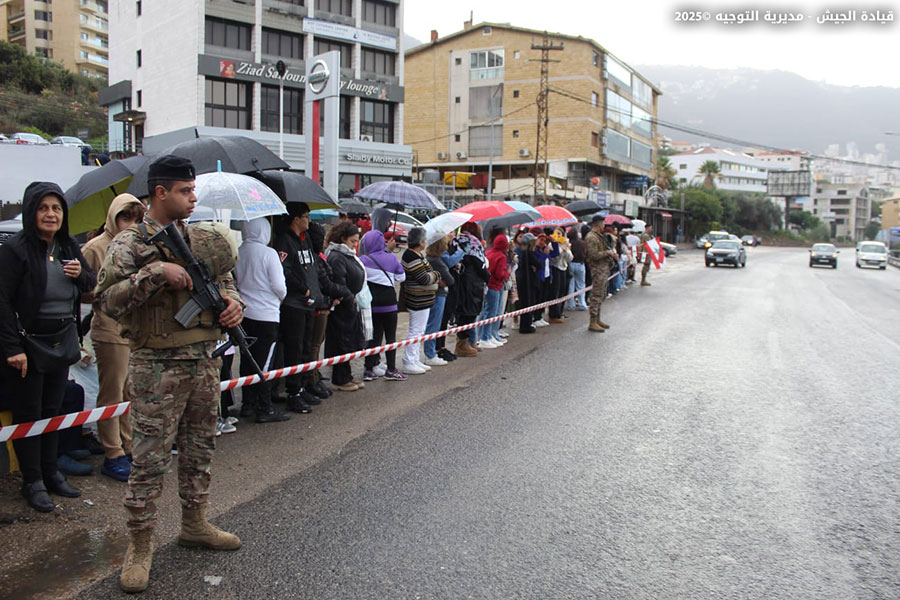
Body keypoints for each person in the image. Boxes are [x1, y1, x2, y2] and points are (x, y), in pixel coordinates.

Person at [95, 156, 244, 593]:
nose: (193, 198)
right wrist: (156, 273)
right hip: (156, 367)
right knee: (149, 461)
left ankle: (195, 523)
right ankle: (140, 546)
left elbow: (225, 281)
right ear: (161, 193)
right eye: (185, 191)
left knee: (200, 450)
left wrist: (234, 304)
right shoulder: (129, 244)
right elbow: (107, 301)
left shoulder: (201, 240)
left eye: (193, 190)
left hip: (203, 360)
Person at [0, 182, 97, 512]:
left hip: (61, 341)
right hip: (28, 345)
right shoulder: (15, 250)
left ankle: (51, 471)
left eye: (56, 208)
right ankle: (32, 480)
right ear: (31, 212)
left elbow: (91, 285)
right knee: (30, 414)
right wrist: (13, 348)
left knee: (53, 412)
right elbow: (2, 302)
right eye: (44, 208)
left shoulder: (69, 245)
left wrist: (79, 274)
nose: (51, 214)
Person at [81, 193, 145, 482]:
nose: (130, 224)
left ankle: (128, 446)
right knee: (111, 393)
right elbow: (82, 289)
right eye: (125, 217)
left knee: (129, 391)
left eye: (136, 218)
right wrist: (110, 288)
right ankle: (112, 453)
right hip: (108, 329)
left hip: (133, 329)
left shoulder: (139, 246)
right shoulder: (96, 248)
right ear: (112, 218)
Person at [235, 218, 290, 423]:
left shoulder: (238, 251)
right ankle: (264, 407)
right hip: (267, 314)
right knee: (265, 362)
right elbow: (279, 286)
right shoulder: (269, 254)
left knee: (247, 359)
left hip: (244, 314)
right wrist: (279, 297)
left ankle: (247, 404)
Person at [273, 202, 324, 413]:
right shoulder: (285, 241)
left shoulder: (306, 240)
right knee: (293, 349)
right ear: (296, 219)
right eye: (306, 217)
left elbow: (312, 267)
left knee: (305, 347)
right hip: (294, 304)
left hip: (309, 304)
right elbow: (284, 271)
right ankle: (293, 391)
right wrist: (302, 288)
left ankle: (303, 386)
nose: (309, 221)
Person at [359, 229, 407, 381]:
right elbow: (402, 277)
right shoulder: (391, 259)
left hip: (372, 304)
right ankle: (391, 369)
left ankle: (369, 368)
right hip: (389, 304)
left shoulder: (363, 260)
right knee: (390, 337)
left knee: (373, 336)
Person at [323, 222, 365, 391]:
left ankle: (346, 374)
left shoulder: (346, 255)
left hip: (350, 303)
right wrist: (349, 297)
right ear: (343, 239)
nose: (355, 245)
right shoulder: (336, 256)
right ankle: (339, 378)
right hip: (342, 305)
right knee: (341, 341)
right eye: (353, 241)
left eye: (357, 241)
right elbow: (339, 281)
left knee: (349, 341)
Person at [401, 226, 439, 374]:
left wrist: (433, 275)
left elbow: (429, 273)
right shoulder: (411, 256)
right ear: (420, 242)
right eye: (424, 239)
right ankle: (409, 360)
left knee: (420, 330)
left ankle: (415, 358)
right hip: (417, 299)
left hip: (424, 299)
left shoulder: (418, 255)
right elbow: (425, 278)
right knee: (415, 330)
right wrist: (436, 275)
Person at [452, 223, 489, 356]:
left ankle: (465, 343)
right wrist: (487, 276)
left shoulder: (456, 239)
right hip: (473, 283)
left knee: (462, 313)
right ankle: (462, 345)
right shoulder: (473, 242)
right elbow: (480, 263)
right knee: (469, 314)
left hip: (459, 280)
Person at [423, 235, 455, 365]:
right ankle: (430, 354)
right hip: (438, 294)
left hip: (435, 293)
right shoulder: (437, 261)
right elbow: (450, 280)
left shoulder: (429, 258)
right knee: (433, 324)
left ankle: (430, 351)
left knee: (432, 323)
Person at [584, 214, 617, 332]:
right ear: (598, 224)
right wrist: (607, 253)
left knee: (601, 294)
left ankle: (597, 319)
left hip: (603, 269)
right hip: (597, 269)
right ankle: (592, 321)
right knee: (596, 295)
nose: (604, 225)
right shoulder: (592, 237)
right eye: (603, 223)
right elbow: (593, 255)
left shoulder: (599, 236)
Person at [477, 233, 510, 347]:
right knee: (492, 312)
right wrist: (507, 273)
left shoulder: (489, 252)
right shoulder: (501, 256)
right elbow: (500, 273)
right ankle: (486, 337)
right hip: (495, 286)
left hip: (486, 285)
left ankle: (481, 335)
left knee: (484, 312)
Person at [514, 233, 539, 333]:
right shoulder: (528, 253)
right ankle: (525, 326)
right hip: (526, 281)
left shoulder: (524, 252)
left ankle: (526, 324)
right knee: (527, 302)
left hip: (524, 279)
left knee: (526, 302)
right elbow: (538, 264)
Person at [548, 228, 572, 323]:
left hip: (564, 268)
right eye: (556, 233)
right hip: (556, 268)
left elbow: (570, 258)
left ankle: (560, 312)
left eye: (560, 234)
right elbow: (554, 259)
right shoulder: (551, 245)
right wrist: (561, 251)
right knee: (555, 292)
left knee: (563, 290)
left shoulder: (565, 244)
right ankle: (554, 314)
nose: (558, 235)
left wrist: (566, 250)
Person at [566, 228, 588, 311]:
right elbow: (586, 253)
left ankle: (571, 305)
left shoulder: (569, 243)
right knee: (581, 285)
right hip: (580, 264)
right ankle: (582, 304)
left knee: (571, 285)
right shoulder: (582, 243)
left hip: (571, 264)